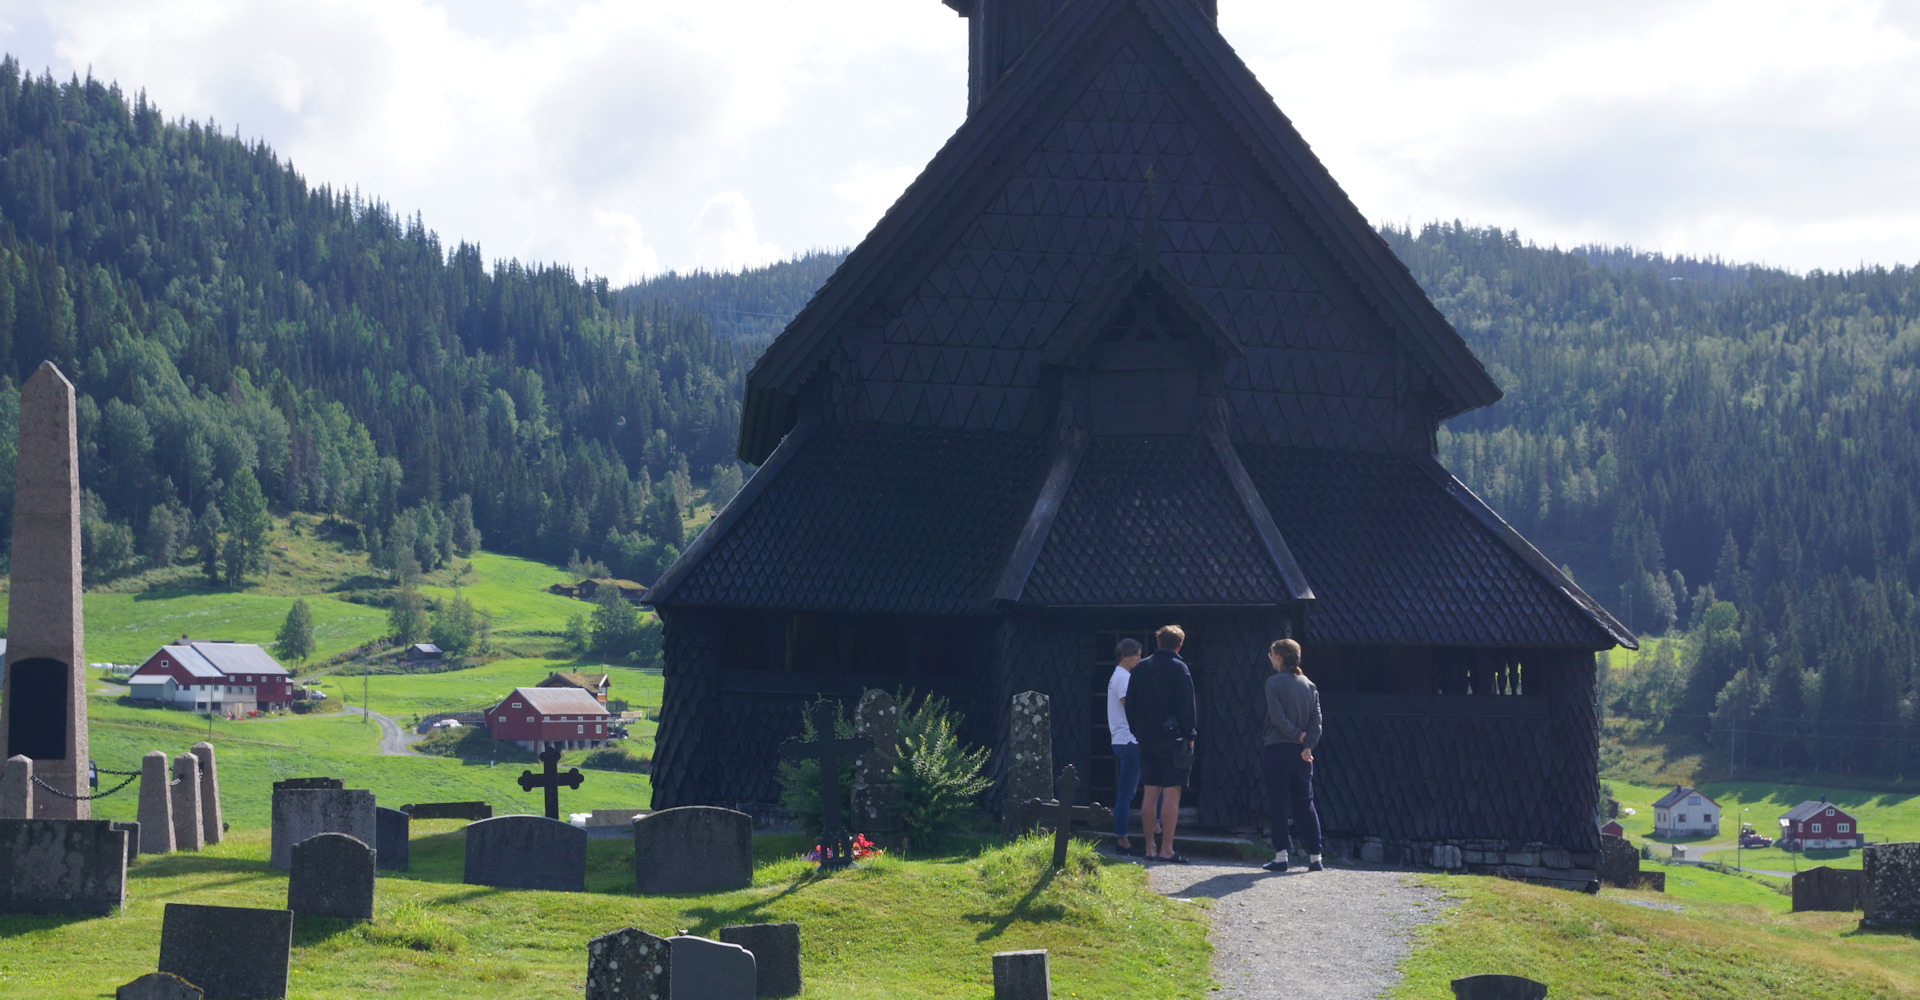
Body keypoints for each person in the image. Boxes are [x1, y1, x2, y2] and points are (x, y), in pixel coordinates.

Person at [1125, 624, 1197, 863]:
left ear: (1158, 642)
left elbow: (1131, 704)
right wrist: (1190, 736)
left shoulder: (1141, 667)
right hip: (1173, 740)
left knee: (1150, 793)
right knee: (1171, 795)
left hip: (1146, 739)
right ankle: (1167, 849)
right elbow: (1187, 706)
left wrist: (1137, 730)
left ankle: (1149, 847)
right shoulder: (1180, 668)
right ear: (1179, 646)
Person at [1261, 638, 1324, 873]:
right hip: (1302, 754)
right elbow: (1317, 719)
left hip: (1278, 748)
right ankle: (1315, 856)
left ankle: (1281, 856)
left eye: (1271, 653)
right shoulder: (1309, 685)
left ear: (1279, 656)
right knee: (1305, 803)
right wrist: (1308, 745)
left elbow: (1277, 717)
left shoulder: (1274, 683)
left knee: (1279, 801)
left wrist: (1297, 735)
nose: (1270, 657)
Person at [1107, 638, 1143, 855]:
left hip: (1122, 739)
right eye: (1136, 654)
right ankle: (1121, 839)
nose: (1139, 658)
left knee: (1127, 791)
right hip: (1128, 740)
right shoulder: (1123, 677)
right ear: (1124, 655)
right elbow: (1129, 705)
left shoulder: (1118, 676)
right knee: (1126, 793)